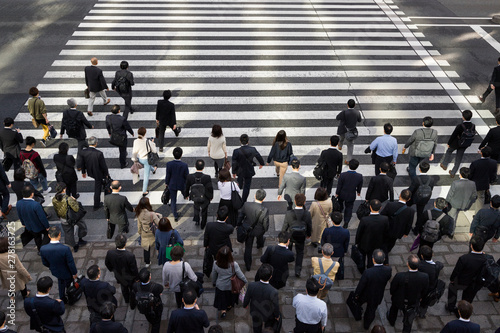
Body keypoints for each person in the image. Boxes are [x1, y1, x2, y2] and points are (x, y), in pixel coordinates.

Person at [387, 254, 429, 333]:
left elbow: (393, 287)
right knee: (409, 320)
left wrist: (392, 294)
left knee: (394, 309)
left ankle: (391, 320)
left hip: (399, 299)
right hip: (413, 302)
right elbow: (425, 289)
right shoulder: (424, 277)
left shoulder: (400, 276)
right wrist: (421, 297)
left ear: (407, 264)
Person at [446, 236, 488, 313]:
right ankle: (462, 312)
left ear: (471, 245)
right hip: (475, 284)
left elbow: (456, 271)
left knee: (452, 288)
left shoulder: (464, 258)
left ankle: (451, 307)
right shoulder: (486, 259)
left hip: (462, 281)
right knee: (467, 299)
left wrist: (452, 279)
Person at [353, 249, 392, 330]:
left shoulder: (368, 272)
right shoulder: (388, 270)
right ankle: (366, 325)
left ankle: (358, 313)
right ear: (384, 259)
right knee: (371, 310)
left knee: (358, 303)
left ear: (373, 259)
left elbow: (361, 285)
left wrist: (356, 294)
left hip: (365, 293)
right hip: (377, 294)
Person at [40, 226, 78, 302]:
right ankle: (70, 296)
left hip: (55, 271)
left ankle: (62, 297)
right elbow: (70, 263)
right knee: (69, 284)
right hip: (67, 272)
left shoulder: (43, 249)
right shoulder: (65, 249)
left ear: (49, 235)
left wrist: (52, 266)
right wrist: (74, 273)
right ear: (59, 234)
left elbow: (45, 263)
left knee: (60, 282)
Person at [238, 189, 270, 271]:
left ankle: (248, 265)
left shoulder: (246, 205)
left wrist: (239, 225)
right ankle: (260, 244)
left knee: (248, 247)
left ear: (255, 196)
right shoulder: (264, 210)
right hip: (259, 230)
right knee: (260, 237)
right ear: (263, 199)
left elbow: (241, 216)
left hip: (248, 229)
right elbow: (265, 223)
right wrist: (265, 230)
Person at [282, 193, 312, 277]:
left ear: (294, 201)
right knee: (300, 252)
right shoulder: (307, 213)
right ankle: (297, 270)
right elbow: (309, 225)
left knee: (288, 249)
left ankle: (288, 263)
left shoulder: (289, 213)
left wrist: (283, 234)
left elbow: (285, 226)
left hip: (291, 234)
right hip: (301, 235)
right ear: (304, 202)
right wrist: (308, 234)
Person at [212, 246, 247, 318]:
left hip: (220, 286)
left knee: (222, 298)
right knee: (229, 298)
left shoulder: (215, 263)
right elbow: (240, 275)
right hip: (231, 286)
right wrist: (245, 281)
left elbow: (214, 275)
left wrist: (214, 282)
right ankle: (229, 306)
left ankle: (223, 311)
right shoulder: (234, 265)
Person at [52, 182, 87, 252]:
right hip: (73, 217)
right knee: (82, 226)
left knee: (68, 234)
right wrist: (75, 200)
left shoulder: (54, 199)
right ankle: (80, 239)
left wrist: (59, 216)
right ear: (64, 190)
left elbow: (56, 209)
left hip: (63, 218)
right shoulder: (68, 199)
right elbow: (76, 208)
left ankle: (73, 246)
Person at [243, 264, 280, 333]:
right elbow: (276, 306)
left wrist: (245, 305)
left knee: (256, 327)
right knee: (268, 326)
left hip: (255, 311)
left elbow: (247, 298)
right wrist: (277, 315)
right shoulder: (273, 291)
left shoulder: (251, 285)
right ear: (270, 277)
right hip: (268, 313)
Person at [355, 199, 389, 272]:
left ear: (370, 207)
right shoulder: (385, 219)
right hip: (377, 243)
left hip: (365, 242)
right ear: (380, 208)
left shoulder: (364, 220)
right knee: (372, 257)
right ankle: (370, 268)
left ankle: (361, 269)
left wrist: (357, 242)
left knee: (362, 256)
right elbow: (386, 232)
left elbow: (359, 232)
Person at [440, 110, 476, 177]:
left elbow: (454, 135)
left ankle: (444, 164)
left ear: (463, 117)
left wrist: (449, 143)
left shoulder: (460, 126)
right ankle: (453, 172)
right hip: (464, 144)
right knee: (459, 158)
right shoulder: (473, 126)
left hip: (455, 143)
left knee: (449, 151)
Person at [105, 234, 139, 305]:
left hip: (119, 276)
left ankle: (126, 300)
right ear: (125, 244)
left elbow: (107, 263)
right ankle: (133, 300)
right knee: (132, 289)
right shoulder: (130, 256)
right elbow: (134, 269)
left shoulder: (110, 253)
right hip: (130, 277)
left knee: (124, 288)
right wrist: (136, 278)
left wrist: (113, 270)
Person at [232, 134, 265, 202]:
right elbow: (258, 156)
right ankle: (244, 200)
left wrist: (234, 172)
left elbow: (234, 162)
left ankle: (237, 195)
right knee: (247, 186)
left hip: (240, 170)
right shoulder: (252, 149)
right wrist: (261, 163)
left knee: (239, 182)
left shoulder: (236, 151)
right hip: (249, 170)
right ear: (248, 141)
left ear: (240, 141)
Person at [79, 136, 109, 211]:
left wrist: (83, 172)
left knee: (98, 183)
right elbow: (103, 166)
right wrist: (106, 174)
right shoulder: (99, 153)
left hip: (90, 171)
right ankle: (96, 204)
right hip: (98, 173)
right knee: (97, 188)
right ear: (95, 144)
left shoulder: (83, 152)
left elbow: (82, 163)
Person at [380, 189, 415, 255]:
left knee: (383, 240)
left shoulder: (390, 205)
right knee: (392, 242)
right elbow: (409, 223)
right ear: (409, 199)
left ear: (400, 195)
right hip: (398, 231)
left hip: (387, 228)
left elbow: (382, 215)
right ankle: (387, 250)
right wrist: (406, 233)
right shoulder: (411, 211)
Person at [16, 185, 50, 252]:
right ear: (32, 194)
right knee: (47, 234)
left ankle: (39, 249)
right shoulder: (35, 204)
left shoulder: (19, 203)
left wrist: (23, 223)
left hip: (29, 226)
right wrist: (47, 226)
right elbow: (42, 217)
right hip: (39, 225)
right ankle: (43, 248)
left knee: (37, 238)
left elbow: (19, 215)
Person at [130, 268, 164, 333]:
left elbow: (132, 296)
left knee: (148, 316)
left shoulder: (135, 286)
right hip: (155, 307)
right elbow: (161, 289)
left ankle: (151, 321)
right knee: (157, 322)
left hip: (144, 307)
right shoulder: (155, 287)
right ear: (150, 277)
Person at [204, 207, 234, 278]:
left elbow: (206, 237)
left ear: (217, 215)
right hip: (224, 247)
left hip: (213, 247)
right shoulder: (229, 228)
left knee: (215, 258)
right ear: (226, 218)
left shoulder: (209, 225)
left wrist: (206, 245)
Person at [446, 167, 478, 233]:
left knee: (452, 218)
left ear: (460, 174)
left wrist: (446, 202)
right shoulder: (473, 183)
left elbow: (450, 195)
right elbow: (474, 195)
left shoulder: (455, 183)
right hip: (465, 204)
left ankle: (450, 232)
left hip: (454, 204)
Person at [184, 159, 214, 229]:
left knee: (196, 207)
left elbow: (187, 186)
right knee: (204, 210)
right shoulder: (207, 177)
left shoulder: (190, 176)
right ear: (203, 167)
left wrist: (186, 195)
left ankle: (197, 220)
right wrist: (211, 196)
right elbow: (210, 188)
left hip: (195, 196)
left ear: (195, 166)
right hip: (205, 196)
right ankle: (203, 223)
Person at [321, 212, 349, 280]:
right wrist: (345, 250)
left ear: (332, 220)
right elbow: (346, 243)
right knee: (340, 264)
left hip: (328, 250)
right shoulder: (345, 232)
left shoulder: (327, 230)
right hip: (340, 251)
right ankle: (339, 276)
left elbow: (323, 241)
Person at [417, 245, 444, 318]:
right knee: (424, 305)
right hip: (430, 290)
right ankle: (421, 314)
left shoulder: (419, 265)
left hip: (420, 289)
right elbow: (441, 265)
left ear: (422, 256)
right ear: (432, 254)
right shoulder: (437, 265)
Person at [335, 159, 363, 228]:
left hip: (342, 194)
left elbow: (339, 185)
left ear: (349, 166)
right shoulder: (359, 176)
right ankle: (346, 222)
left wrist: (337, 193)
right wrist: (358, 192)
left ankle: (339, 215)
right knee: (349, 208)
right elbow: (359, 186)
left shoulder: (343, 175)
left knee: (340, 205)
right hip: (351, 194)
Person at [469, 146, 497, 213]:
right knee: (481, 198)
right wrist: (489, 182)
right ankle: (477, 213)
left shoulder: (475, 163)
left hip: (474, 183)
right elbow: (493, 175)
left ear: (481, 153)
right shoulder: (493, 162)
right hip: (484, 184)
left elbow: (470, 174)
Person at [135, 197, 162, 267]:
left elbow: (139, 225)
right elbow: (159, 223)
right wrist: (159, 215)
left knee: (146, 248)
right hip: (152, 233)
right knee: (156, 245)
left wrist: (140, 232)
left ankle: (147, 262)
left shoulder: (139, 213)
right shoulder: (151, 214)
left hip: (144, 232)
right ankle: (159, 256)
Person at [106, 104, 134, 169]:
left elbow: (107, 126)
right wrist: (131, 132)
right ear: (119, 111)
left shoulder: (108, 117)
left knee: (122, 149)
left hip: (114, 135)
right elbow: (127, 127)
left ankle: (124, 156)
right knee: (122, 151)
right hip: (122, 137)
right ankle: (123, 164)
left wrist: (109, 133)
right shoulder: (122, 119)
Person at [132, 127, 158, 196]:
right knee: (146, 176)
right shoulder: (148, 142)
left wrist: (135, 160)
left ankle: (153, 169)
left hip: (140, 159)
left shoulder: (135, 141)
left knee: (148, 167)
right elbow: (154, 151)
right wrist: (153, 143)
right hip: (147, 160)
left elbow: (134, 152)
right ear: (145, 133)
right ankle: (144, 191)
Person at [408, 161, 435, 225]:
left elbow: (411, 189)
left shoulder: (416, 179)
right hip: (424, 198)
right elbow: (431, 189)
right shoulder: (431, 179)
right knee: (419, 214)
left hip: (414, 197)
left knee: (405, 207)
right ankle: (417, 229)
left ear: (419, 169)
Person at [166, 147, 189, 222]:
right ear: (181, 155)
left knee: (173, 200)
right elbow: (186, 176)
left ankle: (175, 216)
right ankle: (185, 196)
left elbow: (168, 175)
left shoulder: (169, 164)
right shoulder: (184, 165)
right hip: (181, 183)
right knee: (184, 192)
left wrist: (167, 183)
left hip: (172, 184)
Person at [336, 98, 361, 163]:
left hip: (343, 129)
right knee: (350, 146)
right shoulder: (357, 112)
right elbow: (359, 120)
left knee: (341, 138)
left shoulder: (344, 112)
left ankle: (340, 145)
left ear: (347, 105)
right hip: (351, 131)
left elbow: (337, 118)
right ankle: (348, 160)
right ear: (354, 105)